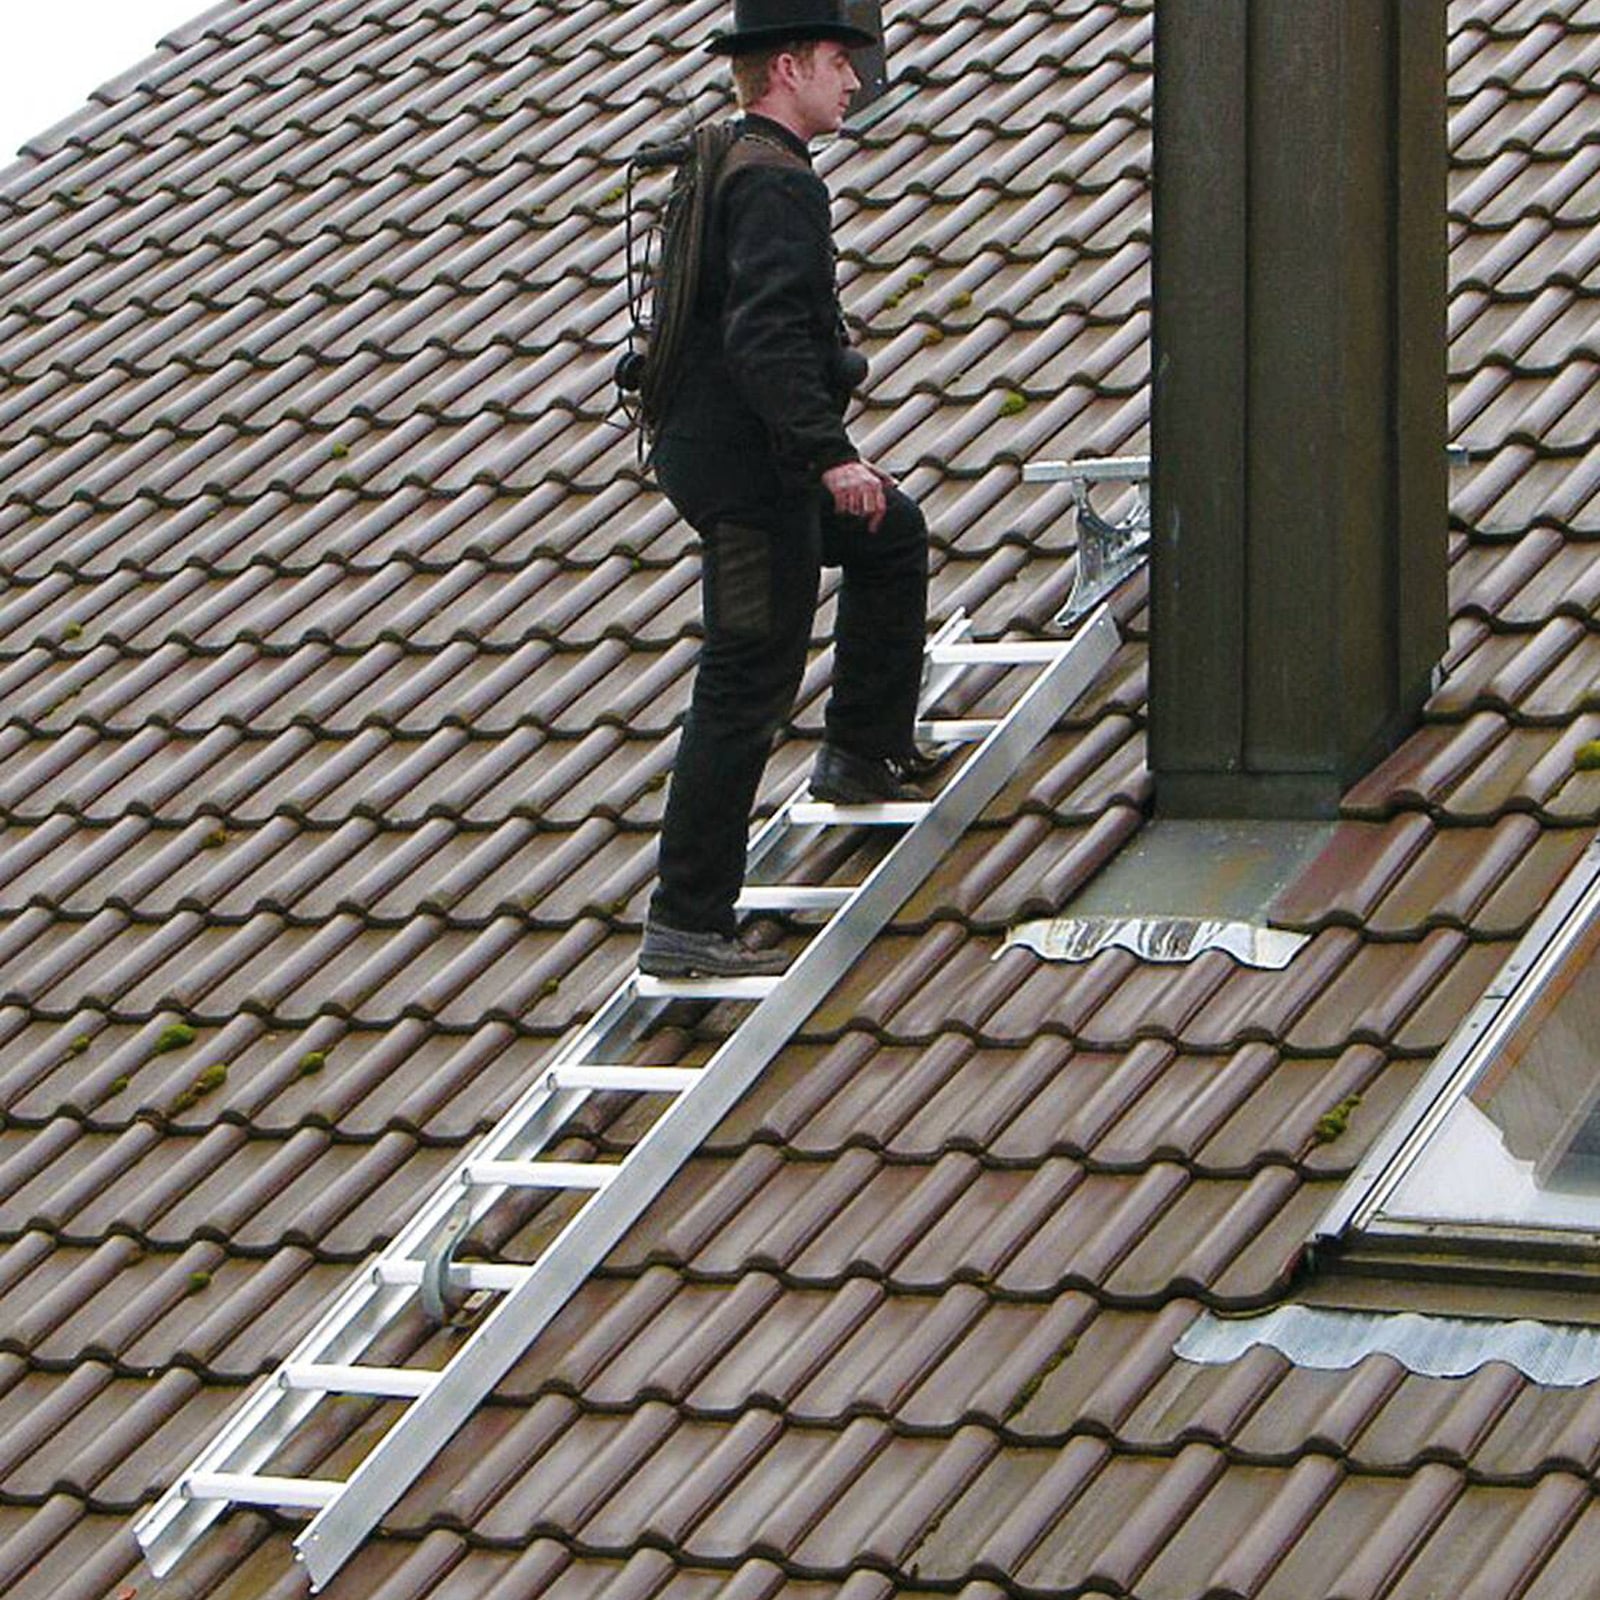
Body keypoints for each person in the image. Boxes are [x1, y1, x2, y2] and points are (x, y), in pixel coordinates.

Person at [638, 0, 937, 979]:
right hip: (748, 476)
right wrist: (829, 455)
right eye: (838, 63)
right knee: (747, 674)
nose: (854, 81)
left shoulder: (726, 156)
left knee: (890, 533)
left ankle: (860, 751)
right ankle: (687, 921)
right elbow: (765, 336)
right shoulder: (774, 182)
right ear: (787, 69)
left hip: (733, 455)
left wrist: (824, 458)